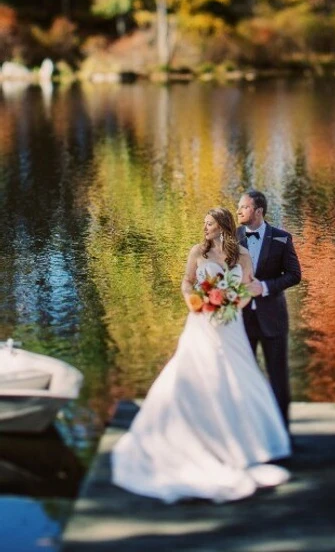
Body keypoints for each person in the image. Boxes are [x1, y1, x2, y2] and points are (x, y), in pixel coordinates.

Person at [111, 207, 291, 503]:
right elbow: (186, 282)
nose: (204, 228)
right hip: (201, 320)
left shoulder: (242, 256)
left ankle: (243, 443)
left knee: (237, 374)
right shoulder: (198, 251)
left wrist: (234, 305)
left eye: (209, 224)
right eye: (205, 224)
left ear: (222, 226)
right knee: (196, 371)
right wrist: (195, 302)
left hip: (230, 324)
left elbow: (248, 289)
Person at [237, 190, 301, 428]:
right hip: (241, 320)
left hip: (273, 319)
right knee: (243, 376)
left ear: (258, 211)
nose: (239, 211)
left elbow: (294, 275)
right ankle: (247, 427)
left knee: (278, 377)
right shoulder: (232, 237)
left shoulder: (281, 238)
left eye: (244, 207)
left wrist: (263, 287)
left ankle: (282, 431)